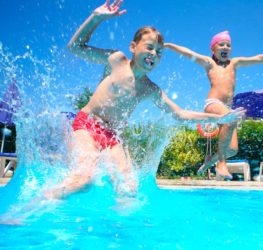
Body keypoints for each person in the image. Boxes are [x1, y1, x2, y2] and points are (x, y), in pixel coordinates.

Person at [45, 0, 245, 199]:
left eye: (159, 52)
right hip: (88, 124)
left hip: (112, 137)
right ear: (133, 46)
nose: (153, 54)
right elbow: (75, 47)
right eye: (149, 47)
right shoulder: (116, 60)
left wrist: (219, 119)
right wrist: (96, 18)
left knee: (128, 189)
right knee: (84, 180)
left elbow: (180, 114)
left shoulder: (150, 89)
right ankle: (37, 203)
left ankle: (121, 229)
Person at [164, 31, 263, 180]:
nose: (225, 47)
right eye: (221, 44)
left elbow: (258, 58)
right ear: (213, 49)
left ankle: (210, 161)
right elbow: (188, 53)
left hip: (227, 109)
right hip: (213, 104)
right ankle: (221, 164)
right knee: (232, 119)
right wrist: (169, 46)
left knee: (233, 149)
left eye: (228, 45)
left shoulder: (234, 63)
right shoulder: (209, 63)